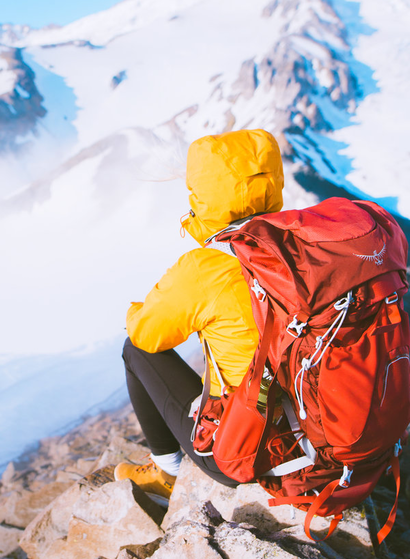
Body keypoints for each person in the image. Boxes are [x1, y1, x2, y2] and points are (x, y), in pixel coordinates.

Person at [114, 128, 284, 499]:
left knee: (135, 350)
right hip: (331, 433)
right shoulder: (304, 243)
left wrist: (141, 309)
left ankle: (167, 473)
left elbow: (146, 334)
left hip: (253, 450)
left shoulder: (208, 266)